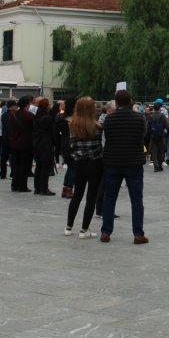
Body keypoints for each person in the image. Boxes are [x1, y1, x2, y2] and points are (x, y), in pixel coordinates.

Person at [100, 89, 148, 245]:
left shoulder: (109, 119)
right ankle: (138, 234)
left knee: (109, 198)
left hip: (113, 162)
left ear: (116, 102)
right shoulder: (139, 118)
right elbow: (142, 136)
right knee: (136, 199)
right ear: (131, 101)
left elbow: (108, 138)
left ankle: (106, 232)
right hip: (134, 162)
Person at [66, 96, 103, 238]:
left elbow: (72, 145)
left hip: (79, 163)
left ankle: (68, 227)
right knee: (91, 197)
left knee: (77, 195)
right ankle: (84, 229)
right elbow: (101, 147)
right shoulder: (98, 127)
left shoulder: (72, 125)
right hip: (95, 163)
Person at [31, 97, 57, 195]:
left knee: (38, 166)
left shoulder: (36, 116)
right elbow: (52, 132)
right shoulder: (48, 118)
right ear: (46, 107)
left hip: (37, 143)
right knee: (45, 167)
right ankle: (44, 188)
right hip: (46, 143)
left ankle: (37, 188)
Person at [9, 96, 35, 192]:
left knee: (16, 165)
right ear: (27, 104)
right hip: (26, 144)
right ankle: (22, 186)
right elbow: (33, 129)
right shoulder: (30, 116)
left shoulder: (13, 115)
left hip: (14, 143)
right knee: (25, 166)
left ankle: (14, 184)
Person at [146, 99, 168, 171]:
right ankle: (160, 164)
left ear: (154, 108)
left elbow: (148, 127)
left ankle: (156, 166)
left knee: (154, 152)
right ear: (159, 108)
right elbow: (166, 125)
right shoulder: (163, 116)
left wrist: (149, 134)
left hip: (153, 136)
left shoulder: (150, 116)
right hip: (161, 136)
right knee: (161, 151)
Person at [0, 99, 14, 180]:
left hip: (4, 138)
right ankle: (13, 173)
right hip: (13, 138)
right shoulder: (15, 115)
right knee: (13, 157)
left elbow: (1, 125)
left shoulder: (3, 115)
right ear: (13, 106)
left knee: (3, 158)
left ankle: (2, 174)